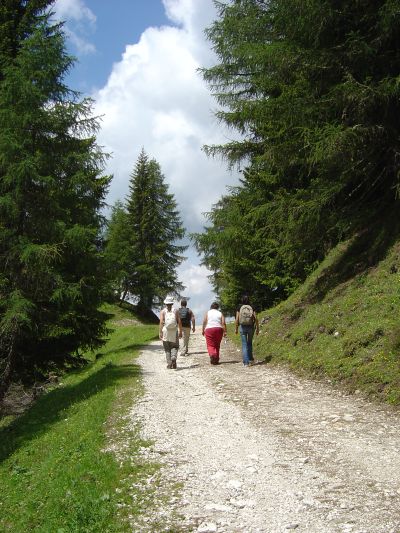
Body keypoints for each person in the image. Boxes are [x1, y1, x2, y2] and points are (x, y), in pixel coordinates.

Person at [235, 295, 259, 367]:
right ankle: (251, 359)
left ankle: (246, 363)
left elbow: (237, 319)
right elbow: (256, 318)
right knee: (249, 343)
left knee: (244, 344)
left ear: (242, 300)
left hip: (242, 327)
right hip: (251, 327)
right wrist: (258, 328)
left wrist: (236, 328)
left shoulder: (239, 307)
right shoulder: (252, 307)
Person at [159, 295, 182, 369]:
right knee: (175, 346)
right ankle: (174, 358)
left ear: (166, 303)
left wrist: (160, 332)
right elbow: (179, 322)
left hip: (166, 331)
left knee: (167, 348)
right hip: (174, 331)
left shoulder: (163, 311)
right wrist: (180, 331)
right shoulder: (176, 311)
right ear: (172, 303)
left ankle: (169, 364)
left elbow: (161, 322)